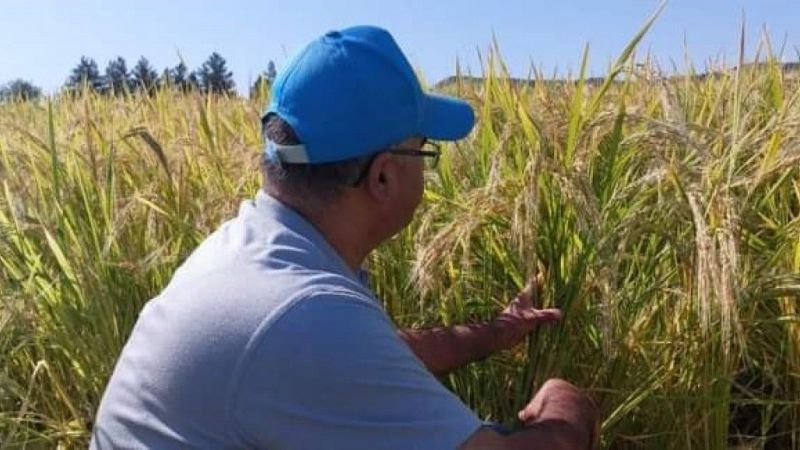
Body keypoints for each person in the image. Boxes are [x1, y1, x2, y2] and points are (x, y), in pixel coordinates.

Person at [91, 25, 597, 449]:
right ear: (382, 177)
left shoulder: (254, 251)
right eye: (424, 150)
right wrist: (568, 406)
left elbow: (372, 361)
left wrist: (497, 331)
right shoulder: (303, 314)